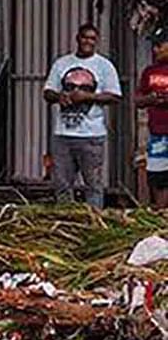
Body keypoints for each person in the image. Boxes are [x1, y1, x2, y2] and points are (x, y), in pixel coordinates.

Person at [44, 22, 123, 209]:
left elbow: (115, 96)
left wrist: (88, 96)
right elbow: (47, 92)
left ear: (96, 42)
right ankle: (66, 217)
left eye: (92, 38)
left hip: (92, 135)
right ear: (77, 38)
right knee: (62, 183)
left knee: (93, 184)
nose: (88, 41)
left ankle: (94, 218)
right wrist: (59, 96)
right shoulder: (62, 63)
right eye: (85, 37)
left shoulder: (104, 66)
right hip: (63, 134)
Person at [138, 34, 168, 208]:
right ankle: (161, 217)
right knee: (158, 176)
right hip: (157, 133)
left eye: (160, 45)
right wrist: (152, 98)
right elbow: (138, 100)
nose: (155, 50)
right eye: (154, 46)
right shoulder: (149, 72)